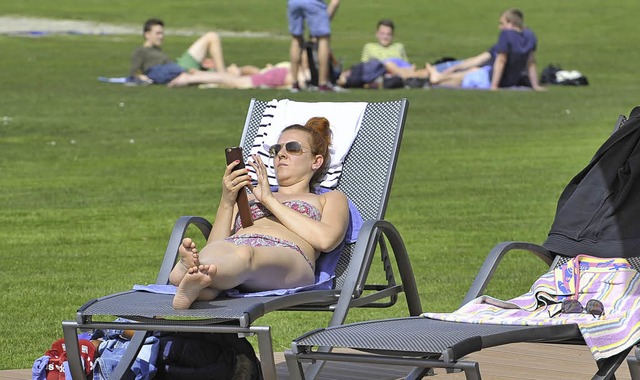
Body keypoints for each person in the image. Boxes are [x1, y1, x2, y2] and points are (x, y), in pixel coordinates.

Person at [169, 117, 350, 309]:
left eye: (293, 148)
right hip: (235, 251)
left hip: (290, 258)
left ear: (316, 161)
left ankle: (187, 274)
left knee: (246, 254)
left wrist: (269, 200)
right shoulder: (249, 197)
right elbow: (216, 245)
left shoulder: (330, 198)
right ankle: (199, 283)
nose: (281, 154)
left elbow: (326, 240)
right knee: (224, 252)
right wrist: (228, 200)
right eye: (277, 149)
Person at [425, 8, 544, 91]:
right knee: (471, 72)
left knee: (472, 73)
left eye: (501, 23)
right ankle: (437, 78)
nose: (500, 27)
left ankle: (438, 77)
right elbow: (531, 63)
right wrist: (535, 85)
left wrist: (494, 86)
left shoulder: (506, 35)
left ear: (510, 23)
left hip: (492, 77)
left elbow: (500, 61)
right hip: (509, 80)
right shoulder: (530, 36)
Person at [129, 18, 254, 85]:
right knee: (212, 36)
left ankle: (254, 75)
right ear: (147, 34)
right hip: (181, 67)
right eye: (157, 33)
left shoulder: (157, 50)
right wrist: (141, 77)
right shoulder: (141, 51)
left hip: (179, 66)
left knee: (237, 70)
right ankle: (224, 75)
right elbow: (134, 71)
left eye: (162, 33)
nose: (161, 36)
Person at [287, 0, 340, 92]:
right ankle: (322, 84)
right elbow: (335, 2)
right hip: (313, 3)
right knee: (323, 39)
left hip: (293, 2)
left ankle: (294, 84)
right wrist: (324, 21)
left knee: (296, 38)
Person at [167, 61, 310, 89]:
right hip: (260, 80)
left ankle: (196, 76)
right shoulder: (305, 74)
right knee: (226, 79)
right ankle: (188, 79)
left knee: (227, 79)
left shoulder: (294, 67)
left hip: (263, 77)